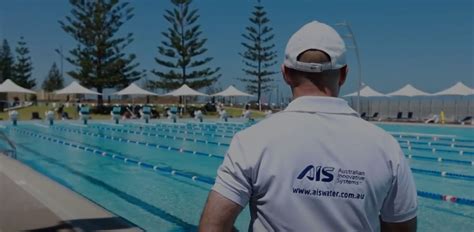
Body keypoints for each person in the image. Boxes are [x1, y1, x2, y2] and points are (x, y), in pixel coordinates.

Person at [199, 21, 417, 232]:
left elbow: (212, 227)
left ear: (285, 73)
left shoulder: (250, 142)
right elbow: (401, 228)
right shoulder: (386, 147)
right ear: (343, 74)